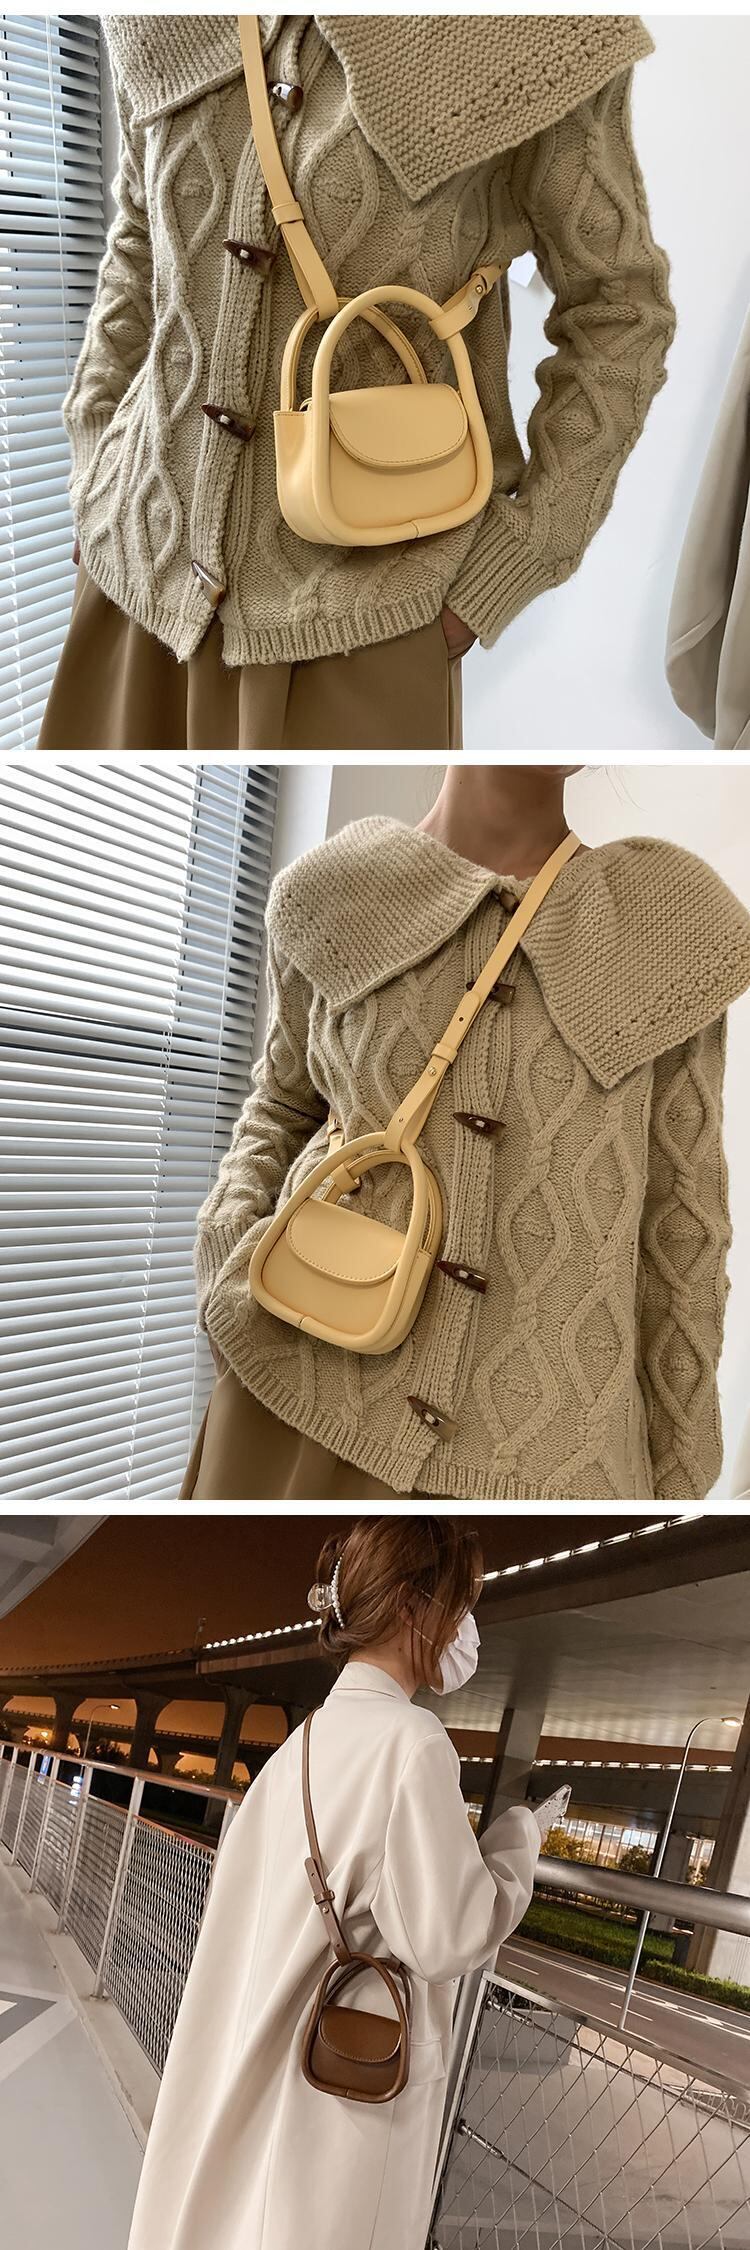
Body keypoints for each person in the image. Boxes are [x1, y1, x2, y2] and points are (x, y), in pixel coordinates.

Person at [39, 13, 674, 753]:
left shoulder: (533, 36)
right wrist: (93, 453)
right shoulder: (163, 23)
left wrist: (519, 557)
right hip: (131, 573)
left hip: (365, 614)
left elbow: (621, 308)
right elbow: (138, 241)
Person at [184, 765, 750, 1502]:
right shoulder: (332, 891)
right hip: (295, 1398)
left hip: (555, 1462)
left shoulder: (668, 927)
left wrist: (677, 1482)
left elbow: (682, 1225)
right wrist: (224, 1253)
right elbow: (284, 1106)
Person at [125, 1517, 546, 2250]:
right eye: (458, 1605)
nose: (464, 1629)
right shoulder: (411, 1743)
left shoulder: (302, 1745)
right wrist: (520, 1838)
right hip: (339, 2102)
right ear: (412, 1605)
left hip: (264, 2065)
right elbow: (451, 1935)